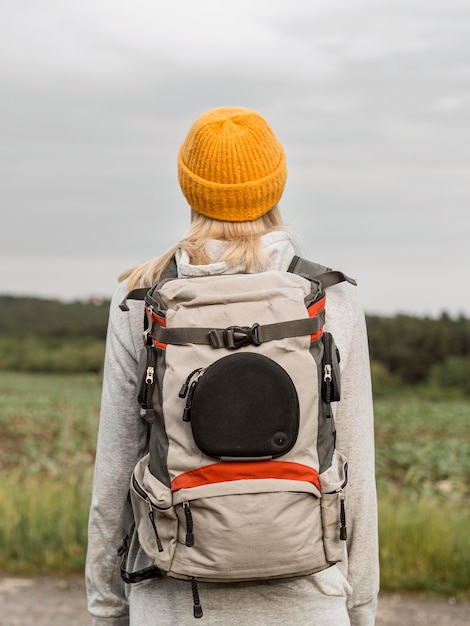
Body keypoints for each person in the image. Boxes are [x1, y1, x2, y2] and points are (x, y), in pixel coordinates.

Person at [86, 106, 379, 626]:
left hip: (172, 598)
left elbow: (114, 473)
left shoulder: (140, 301)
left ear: (188, 186)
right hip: (309, 599)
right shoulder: (330, 301)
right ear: (277, 184)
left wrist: (108, 609)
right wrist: (358, 606)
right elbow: (355, 471)